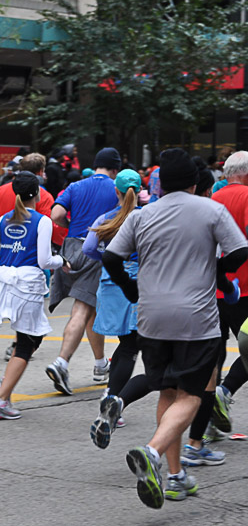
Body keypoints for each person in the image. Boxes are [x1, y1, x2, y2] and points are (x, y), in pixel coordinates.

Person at [104, 148, 247, 507]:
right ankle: (152, 452)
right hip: (195, 318)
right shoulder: (211, 210)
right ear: (196, 182)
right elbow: (241, 251)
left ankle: (176, 477)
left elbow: (110, 257)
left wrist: (130, 287)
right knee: (192, 395)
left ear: (162, 183)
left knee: (167, 391)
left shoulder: (143, 214)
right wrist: (220, 275)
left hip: (151, 317)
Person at [0, 172, 65, 419]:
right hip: (27, 287)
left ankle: (5, 383)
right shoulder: (42, 221)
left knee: (27, 339)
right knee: (28, 342)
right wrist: (62, 261)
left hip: (4, 283)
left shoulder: (4, 219)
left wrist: (5, 263)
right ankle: (0, 401)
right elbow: (45, 260)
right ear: (37, 193)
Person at [81, 169, 150, 448]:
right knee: (133, 345)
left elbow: (88, 249)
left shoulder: (105, 218)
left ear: (117, 192)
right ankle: (113, 398)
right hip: (139, 283)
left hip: (111, 284)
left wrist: (107, 258)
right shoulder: (146, 215)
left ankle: (113, 397)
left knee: (127, 343)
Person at [44, 147, 122, 395]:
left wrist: (70, 229)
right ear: (115, 168)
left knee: (89, 309)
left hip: (71, 248)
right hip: (95, 250)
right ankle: (61, 363)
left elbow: (56, 214)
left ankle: (100, 365)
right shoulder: (116, 188)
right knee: (82, 308)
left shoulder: (76, 186)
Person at [210, 152, 248, 440]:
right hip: (243, 286)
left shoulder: (214, 199)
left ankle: (207, 420)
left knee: (215, 352)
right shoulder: (247, 196)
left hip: (213, 286)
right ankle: (224, 392)